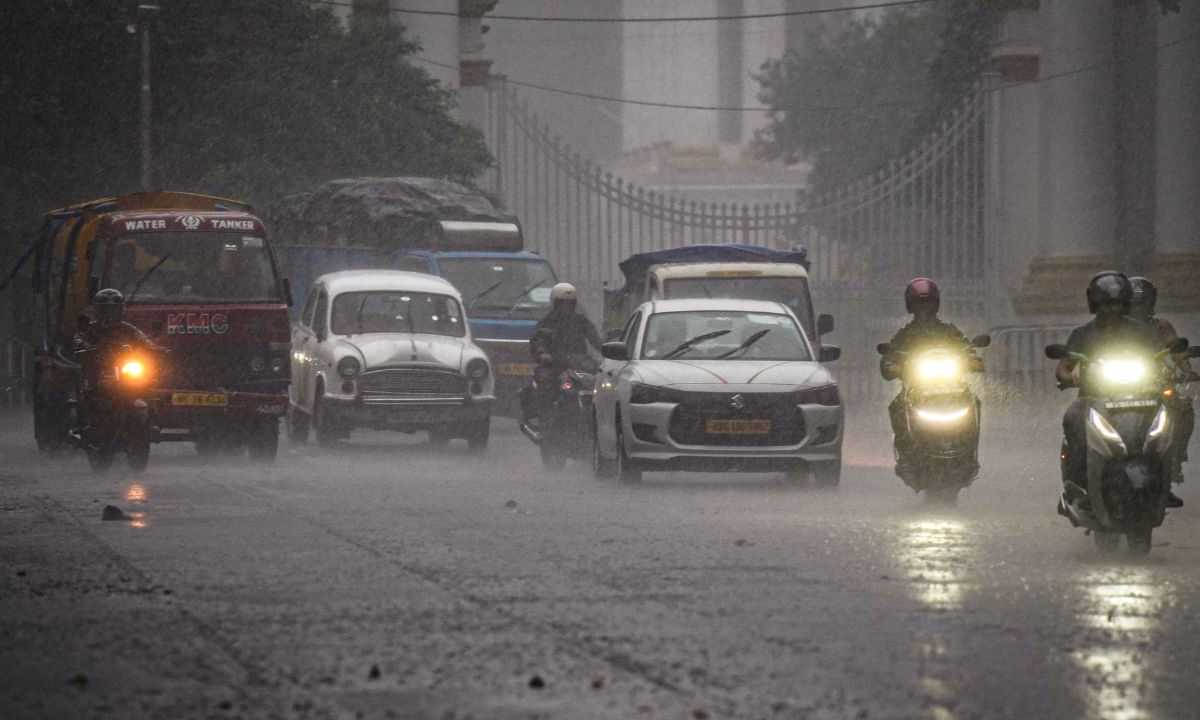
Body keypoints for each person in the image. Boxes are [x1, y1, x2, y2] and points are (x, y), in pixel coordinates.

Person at [1054, 272, 1176, 507]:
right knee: (1073, 418)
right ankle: (1078, 487)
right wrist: (1071, 376)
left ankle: (1164, 483)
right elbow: (1063, 367)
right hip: (1093, 399)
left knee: (1168, 418)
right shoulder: (1082, 334)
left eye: (1117, 304)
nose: (1112, 310)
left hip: (1142, 396)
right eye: (1106, 304)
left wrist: (1167, 370)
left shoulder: (1142, 332)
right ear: (1094, 305)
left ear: (1126, 304)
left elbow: (1160, 357)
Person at [879, 278, 980, 479]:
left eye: (928, 303)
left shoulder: (948, 331)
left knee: (974, 401)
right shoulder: (905, 334)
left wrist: (972, 359)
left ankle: (969, 452)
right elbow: (890, 356)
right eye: (919, 304)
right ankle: (906, 455)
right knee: (896, 406)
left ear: (936, 305)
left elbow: (966, 348)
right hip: (917, 387)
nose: (924, 308)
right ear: (911, 307)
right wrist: (891, 365)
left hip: (952, 386)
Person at [1130, 276, 1196, 489]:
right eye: (1134, 303)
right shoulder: (1113, 328)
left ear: (1151, 303)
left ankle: (1175, 458)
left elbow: (1177, 352)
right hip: (1116, 384)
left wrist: (1187, 370)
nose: (1138, 308)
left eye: (1142, 303)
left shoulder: (1161, 326)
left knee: (1183, 407)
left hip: (1156, 381)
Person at [520, 283, 602, 432]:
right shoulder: (547, 322)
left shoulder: (581, 321)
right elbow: (538, 340)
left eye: (569, 304)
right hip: (555, 364)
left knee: (602, 382)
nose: (566, 307)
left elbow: (595, 338)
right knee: (545, 381)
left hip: (579, 365)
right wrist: (542, 353)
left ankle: (597, 419)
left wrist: (606, 350)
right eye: (562, 303)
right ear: (555, 303)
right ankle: (544, 420)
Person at [73, 289, 160, 429]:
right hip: (98, 369)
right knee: (81, 386)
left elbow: (144, 340)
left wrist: (155, 349)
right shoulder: (90, 329)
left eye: (113, 309)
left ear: (121, 310)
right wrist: (83, 345)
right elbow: (78, 339)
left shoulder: (128, 329)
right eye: (105, 309)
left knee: (146, 384)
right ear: (97, 310)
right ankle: (81, 421)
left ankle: (151, 421)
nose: (109, 313)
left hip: (124, 369)